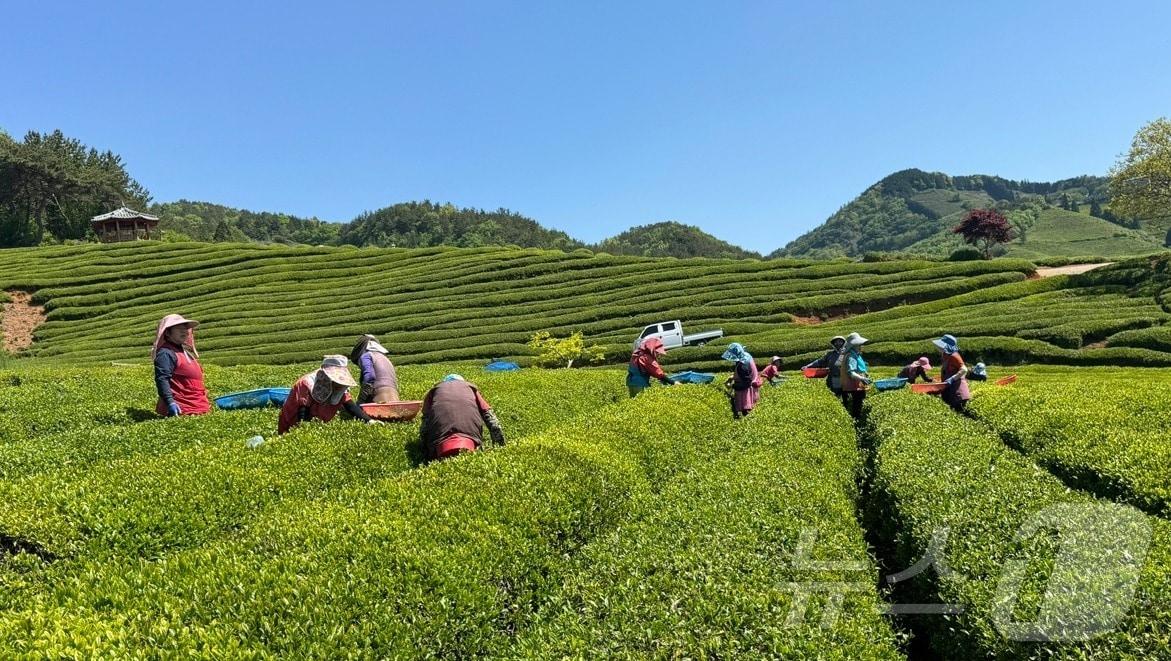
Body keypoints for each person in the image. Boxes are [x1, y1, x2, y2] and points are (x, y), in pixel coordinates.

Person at [277, 355, 378, 434]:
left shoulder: (340, 387)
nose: (338, 385)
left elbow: (350, 405)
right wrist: (304, 432)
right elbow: (302, 413)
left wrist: (369, 421)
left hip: (316, 425)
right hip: (292, 423)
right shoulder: (306, 383)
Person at [419, 374, 506, 461]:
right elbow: (492, 420)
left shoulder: (434, 391)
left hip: (440, 446)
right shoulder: (471, 388)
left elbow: (424, 426)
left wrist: (424, 453)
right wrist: (499, 450)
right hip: (470, 441)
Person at [152, 314, 211, 417]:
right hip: (181, 411)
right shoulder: (166, 353)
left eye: (185, 328)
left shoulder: (183, 352)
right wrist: (170, 402)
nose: (184, 331)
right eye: (179, 328)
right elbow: (162, 379)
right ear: (168, 333)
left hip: (198, 408)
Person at [350, 334, 400, 403]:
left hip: (379, 398)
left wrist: (361, 400)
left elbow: (369, 377)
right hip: (395, 398)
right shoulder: (385, 358)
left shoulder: (366, 356)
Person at [837, 332, 871, 419]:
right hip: (855, 386)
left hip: (857, 385)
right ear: (853, 346)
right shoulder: (851, 356)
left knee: (857, 404)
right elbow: (850, 372)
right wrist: (862, 378)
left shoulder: (854, 355)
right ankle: (856, 422)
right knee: (857, 406)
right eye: (858, 345)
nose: (861, 346)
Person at [934, 334, 972, 412]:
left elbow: (964, 369)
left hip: (957, 390)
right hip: (950, 388)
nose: (939, 347)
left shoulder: (954, 356)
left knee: (959, 412)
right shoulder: (945, 355)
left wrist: (952, 378)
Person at [722, 343, 761, 419]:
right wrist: (733, 377)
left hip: (746, 393)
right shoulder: (746, 356)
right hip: (752, 388)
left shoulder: (742, 365)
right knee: (751, 412)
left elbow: (746, 383)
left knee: (747, 413)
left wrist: (732, 386)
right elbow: (747, 374)